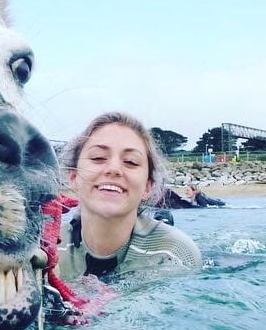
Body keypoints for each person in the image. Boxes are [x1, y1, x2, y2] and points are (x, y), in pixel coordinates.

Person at [58, 112, 202, 280]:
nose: (114, 169)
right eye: (98, 157)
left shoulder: (176, 253)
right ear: (73, 177)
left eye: (131, 162)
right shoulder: (47, 250)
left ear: (148, 187)